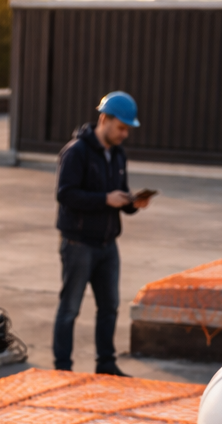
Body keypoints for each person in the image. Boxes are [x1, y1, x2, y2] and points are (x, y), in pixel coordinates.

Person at [52, 90, 153, 375]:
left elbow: (117, 197)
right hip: (78, 243)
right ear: (104, 119)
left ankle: (106, 364)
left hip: (108, 244)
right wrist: (104, 199)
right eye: (121, 128)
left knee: (109, 306)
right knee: (70, 308)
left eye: (127, 129)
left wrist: (134, 204)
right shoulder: (76, 152)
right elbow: (66, 195)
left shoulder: (118, 154)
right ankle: (62, 369)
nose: (125, 134)